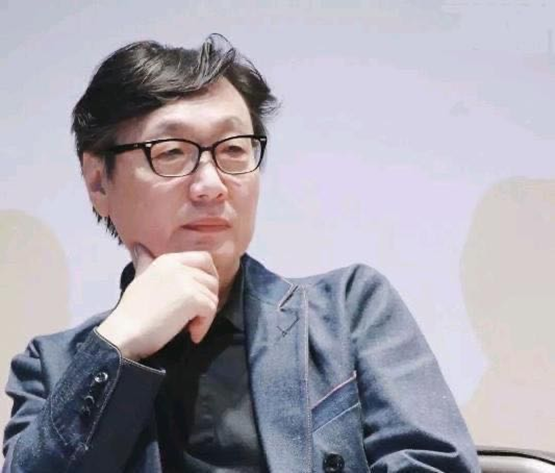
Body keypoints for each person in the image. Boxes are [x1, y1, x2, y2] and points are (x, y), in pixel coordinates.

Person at [2, 34, 480, 472]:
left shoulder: (348, 312)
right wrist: (120, 344)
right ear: (98, 182)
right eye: (170, 152)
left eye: (233, 150)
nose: (211, 185)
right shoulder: (52, 367)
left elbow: (436, 464)